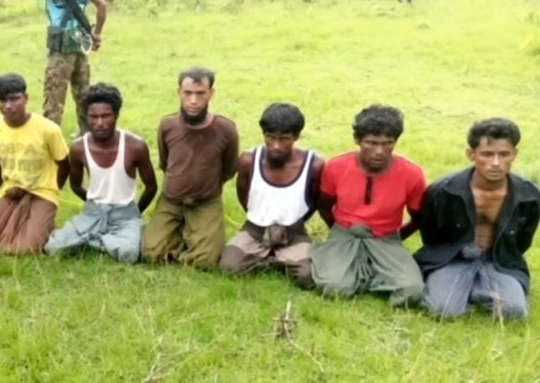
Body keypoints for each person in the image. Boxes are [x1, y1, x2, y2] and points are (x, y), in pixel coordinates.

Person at [409, 119, 538, 319]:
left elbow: (523, 238)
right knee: (443, 311)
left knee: (514, 312)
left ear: (515, 154)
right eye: (487, 154)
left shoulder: (529, 195)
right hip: (453, 257)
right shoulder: (444, 190)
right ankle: (462, 285)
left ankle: (476, 286)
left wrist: (503, 255)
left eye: (504, 154)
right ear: (471, 154)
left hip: (498, 259)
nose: (496, 163)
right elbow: (431, 234)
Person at [309, 105, 426, 306]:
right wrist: (339, 231)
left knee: (411, 291)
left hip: (386, 237)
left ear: (396, 141)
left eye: (387, 144)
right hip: (345, 232)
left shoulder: (412, 174)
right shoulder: (336, 167)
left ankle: (365, 271)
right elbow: (324, 206)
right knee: (334, 288)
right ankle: (353, 266)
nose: (379, 151)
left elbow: (418, 218)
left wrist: (394, 238)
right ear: (357, 140)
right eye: (371, 143)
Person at [45, 83, 158, 263]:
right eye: (93, 117)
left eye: (106, 116)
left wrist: (135, 213)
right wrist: (93, 204)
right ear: (86, 117)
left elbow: (151, 186)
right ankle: (102, 239)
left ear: (116, 116)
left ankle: (93, 239)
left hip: (125, 214)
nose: (99, 123)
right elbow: (75, 184)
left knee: (129, 254)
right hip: (93, 211)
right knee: (53, 247)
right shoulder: (79, 148)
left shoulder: (135, 146)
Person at [143, 67, 240, 269]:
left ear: (211, 94)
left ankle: (193, 238)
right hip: (172, 200)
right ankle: (185, 236)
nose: (193, 101)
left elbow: (230, 169)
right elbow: (165, 161)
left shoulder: (226, 129)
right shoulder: (167, 125)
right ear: (179, 92)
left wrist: (204, 186)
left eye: (200, 94)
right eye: (188, 93)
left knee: (207, 261)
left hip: (206, 201)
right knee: (151, 253)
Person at [219, 103, 324, 286]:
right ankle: (277, 260)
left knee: (307, 276)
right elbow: (244, 195)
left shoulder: (313, 165)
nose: (276, 146)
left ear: (296, 136)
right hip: (255, 229)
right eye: (270, 137)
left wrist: (294, 224)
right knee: (229, 266)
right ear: (263, 135)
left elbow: (314, 201)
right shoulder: (248, 160)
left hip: (293, 232)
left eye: (284, 139)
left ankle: (272, 258)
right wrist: (259, 218)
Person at [15, 0, 108, 136]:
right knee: (82, 89)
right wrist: (98, 33)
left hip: (61, 45)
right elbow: (101, 5)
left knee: (54, 93)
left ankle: (50, 138)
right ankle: (87, 132)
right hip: (81, 40)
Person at [0, 74, 70, 255]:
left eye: (14, 99)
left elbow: (64, 164)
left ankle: (46, 224)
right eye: (2, 100)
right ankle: (24, 222)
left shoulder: (48, 129)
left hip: (42, 192)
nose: (8, 106)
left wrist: (53, 188)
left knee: (23, 249)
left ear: (26, 98)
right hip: (11, 191)